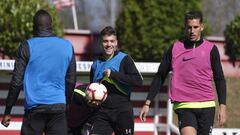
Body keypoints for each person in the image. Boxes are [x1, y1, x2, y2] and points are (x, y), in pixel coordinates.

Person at [139, 11, 227, 135]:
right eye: (189, 27)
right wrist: (147, 103)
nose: (192, 31)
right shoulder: (175, 48)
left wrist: (222, 106)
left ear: (202, 27)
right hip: (184, 105)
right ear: (185, 28)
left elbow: (219, 79)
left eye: (195, 27)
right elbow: (160, 76)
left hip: (207, 106)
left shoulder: (211, 49)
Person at [1, 9, 76, 135]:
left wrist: (8, 110)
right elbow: (71, 80)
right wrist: (65, 103)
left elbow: (16, 82)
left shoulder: (26, 46)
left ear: (34, 27)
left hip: (34, 110)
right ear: (51, 26)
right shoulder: (67, 46)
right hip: (58, 109)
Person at [89, 26, 143, 135]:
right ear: (101, 43)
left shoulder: (125, 59)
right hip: (102, 113)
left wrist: (114, 75)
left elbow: (138, 81)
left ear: (116, 42)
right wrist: (91, 100)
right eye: (105, 41)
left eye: (112, 41)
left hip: (122, 111)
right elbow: (92, 87)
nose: (109, 44)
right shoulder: (95, 63)